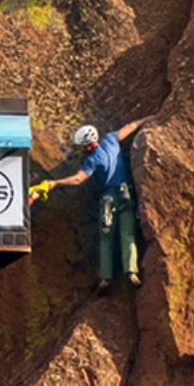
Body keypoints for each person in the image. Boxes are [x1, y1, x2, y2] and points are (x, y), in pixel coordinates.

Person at [40, 118, 148, 292]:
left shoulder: (91, 160)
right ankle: (131, 272)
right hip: (125, 194)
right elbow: (130, 126)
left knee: (107, 239)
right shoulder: (110, 140)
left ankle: (106, 279)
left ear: (88, 145)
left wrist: (55, 183)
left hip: (108, 199)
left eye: (81, 146)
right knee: (127, 234)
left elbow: (78, 179)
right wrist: (149, 118)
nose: (80, 150)